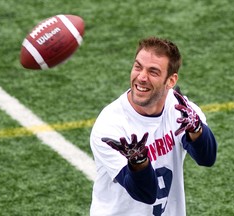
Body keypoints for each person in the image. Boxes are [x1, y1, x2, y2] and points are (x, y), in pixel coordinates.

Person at [89, 36, 217, 216]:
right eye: (137, 67)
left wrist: (197, 130)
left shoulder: (181, 110)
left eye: (153, 72)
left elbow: (207, 158)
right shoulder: (110, 127)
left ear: (171, 81)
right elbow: (145, 194)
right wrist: (138, 162)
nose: (141, 77)